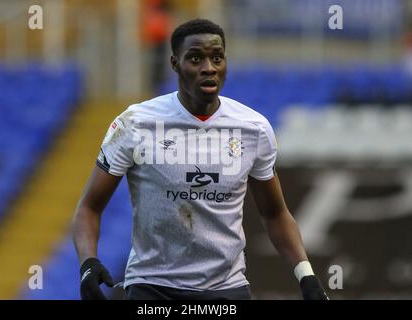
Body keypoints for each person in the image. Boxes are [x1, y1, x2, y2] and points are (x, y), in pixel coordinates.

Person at [72, 18, 328, 300]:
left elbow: (275, 213)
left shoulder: (254, 129)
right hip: (152, 288)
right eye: (195, 58)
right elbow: (89, 208)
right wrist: (88, 263)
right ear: (174, 63)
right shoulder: (135, 123)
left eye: (216, 58)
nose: (209, 68)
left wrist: (306, 275)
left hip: (226, 291)